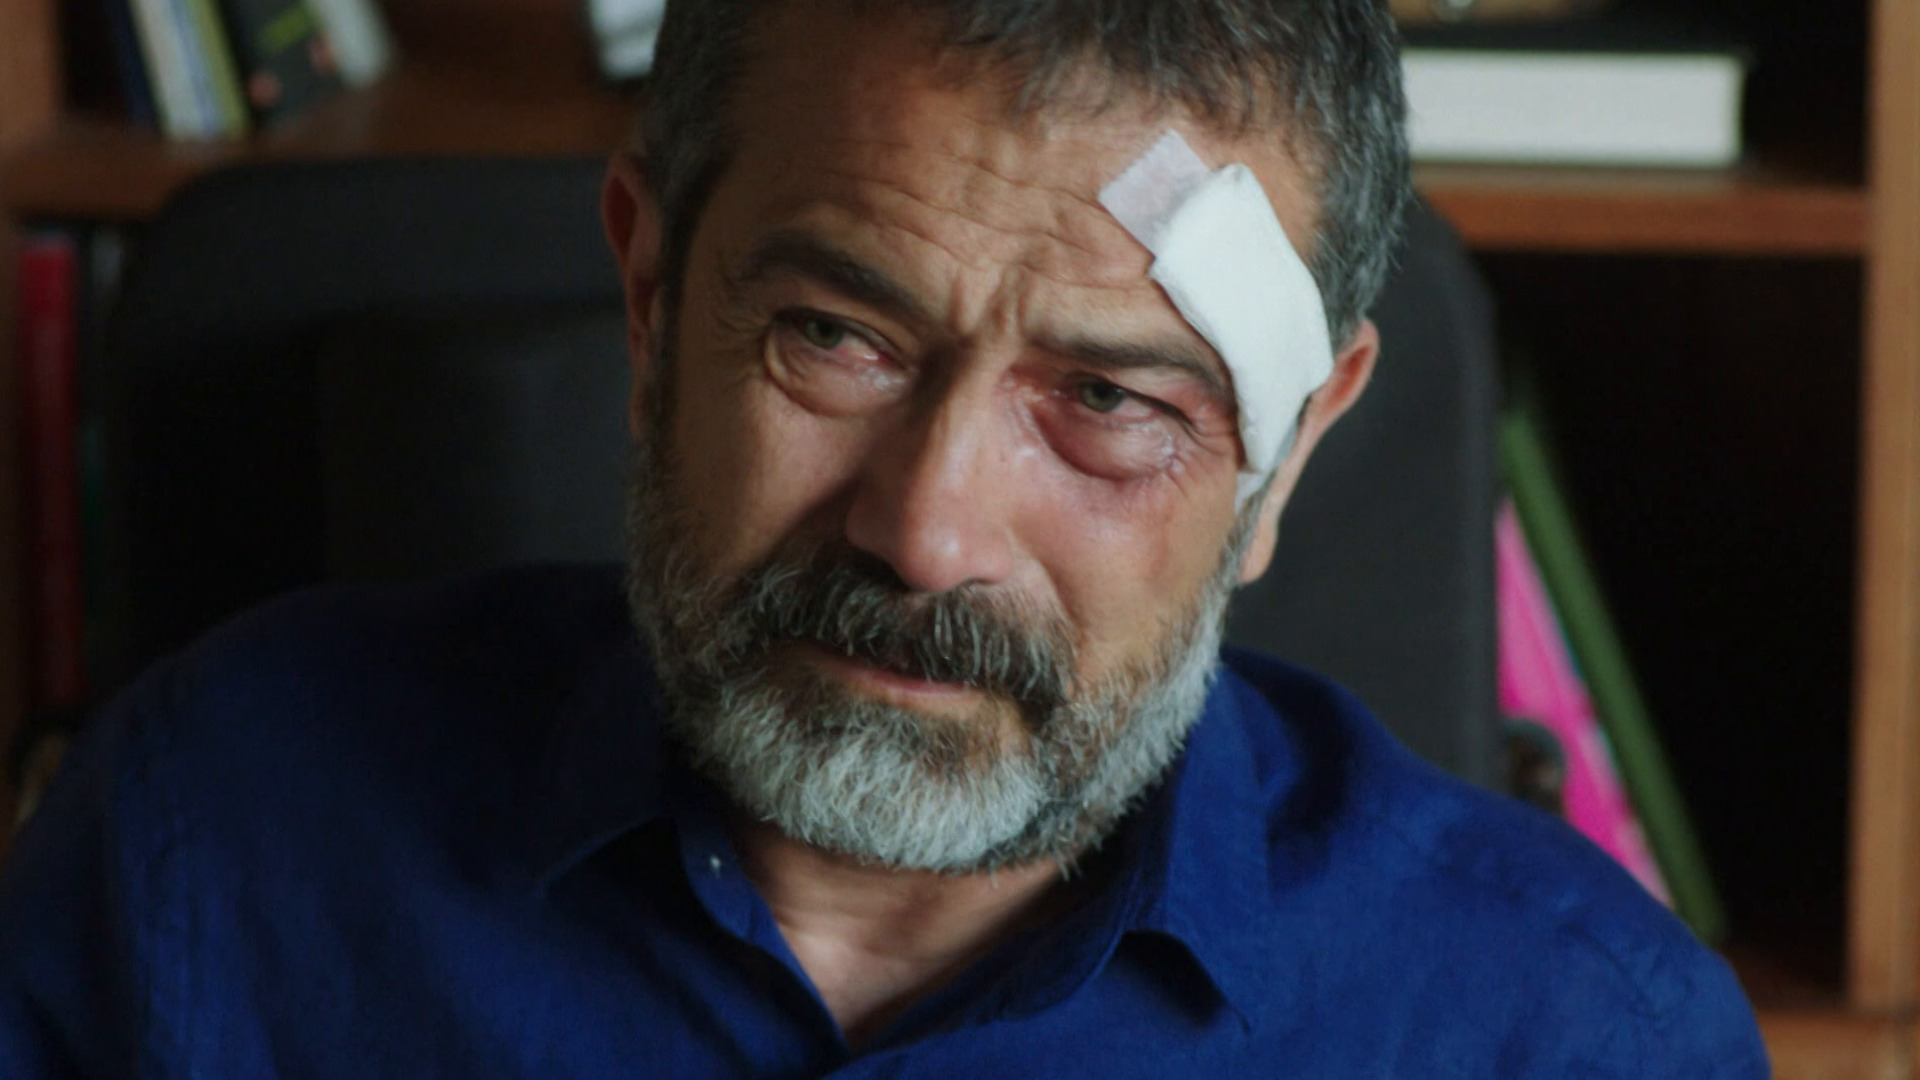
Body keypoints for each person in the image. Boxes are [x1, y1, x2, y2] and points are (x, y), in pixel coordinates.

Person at [0, 0, 1767, 1075]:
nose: (926, 533)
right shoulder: (198, 853)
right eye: (837, 339)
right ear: (649, 297)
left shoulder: (1574, 1041)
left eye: (1109, 400)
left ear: (1288, 454)